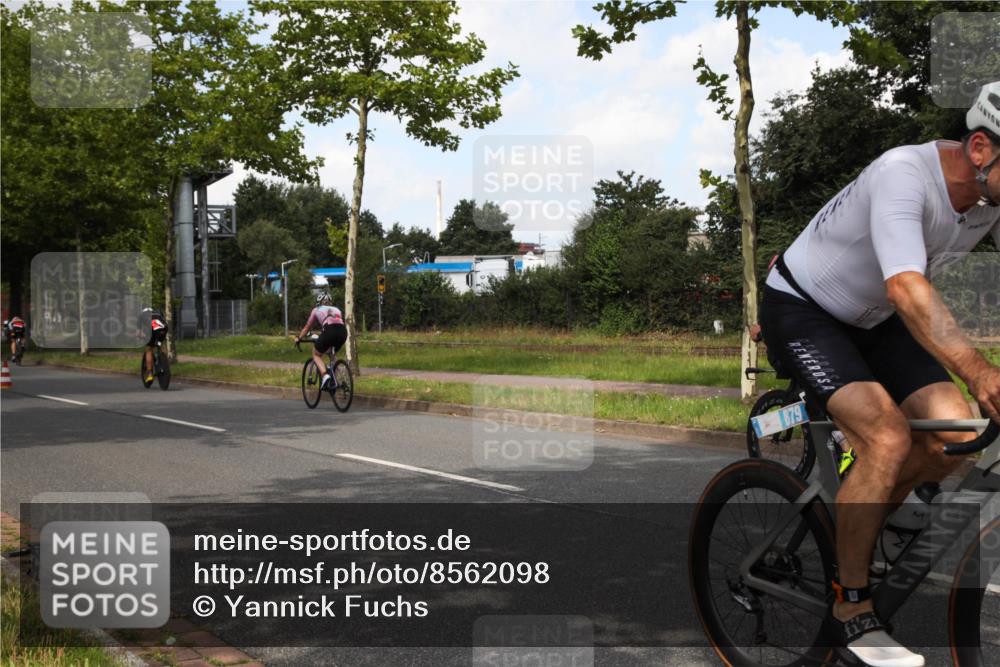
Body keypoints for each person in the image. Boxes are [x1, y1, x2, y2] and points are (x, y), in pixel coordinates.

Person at [758, 82, 1000, 667]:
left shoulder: (990, 198)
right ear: (979, 150)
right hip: (804, 308)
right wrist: (978, 371)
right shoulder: (904, 173)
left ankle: (862, 515)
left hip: (876, 318)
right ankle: (850, 606)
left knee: (954, 433)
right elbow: (905, 284)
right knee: (888, 436)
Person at [295, 292, 347, 389]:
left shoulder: (316, 310)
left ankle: (325, 376)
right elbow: (337, 324)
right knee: (331, 353)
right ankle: (338, 379)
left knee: (316, 354)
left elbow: (307, 327)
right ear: (330, 302)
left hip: (329, 331)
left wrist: (299, 338)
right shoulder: (337, 310)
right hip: (343, 332)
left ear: (318, 302)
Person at [142, 307, 168, 384]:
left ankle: (149, 373)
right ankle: (164, 360)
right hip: (163, 329)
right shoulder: (158, 314)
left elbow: (139, 332)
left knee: (149, 349)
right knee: (160, 343)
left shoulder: (142, 316)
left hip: (152, 331)